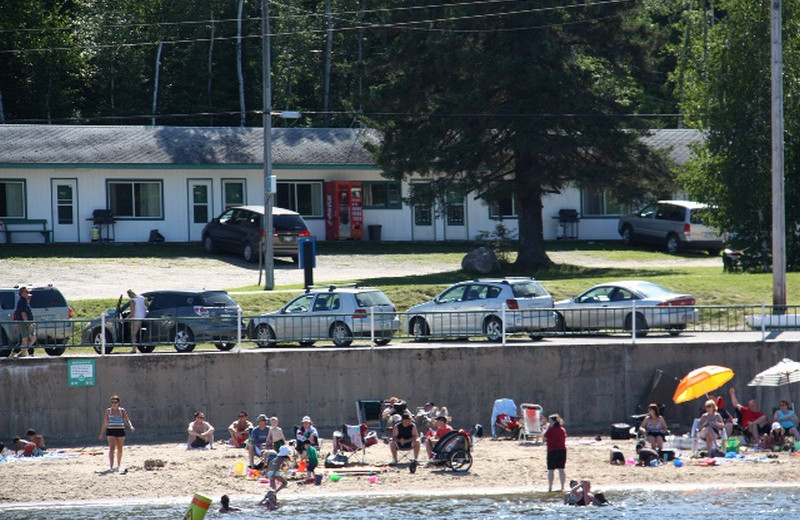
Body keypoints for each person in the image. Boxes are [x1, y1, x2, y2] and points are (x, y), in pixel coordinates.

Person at [98, 394, 135, 471]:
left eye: (115, 402)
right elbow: (105, 422)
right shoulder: (108, 411)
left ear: (118, 403)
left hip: (120, 430)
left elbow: (126, 419)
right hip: (111, 430)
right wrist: (101, 433)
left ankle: (118, 465)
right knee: (111, 448)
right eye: (112, 402)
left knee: (120, 448)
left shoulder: (122, 410)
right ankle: (111, 466)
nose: (114, 404)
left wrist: (130, 426)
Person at [543, 413, 567, 493]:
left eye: (550, 421)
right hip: (562, 450)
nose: (549, 422)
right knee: (561, 469)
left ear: (553, 422)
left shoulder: (550, 429)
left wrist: (546, 429)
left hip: (552, 451)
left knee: (551, 470)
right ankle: (562, 487)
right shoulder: (562, 429)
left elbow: (544, 439)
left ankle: (550, 487)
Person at [13, 287, 36, 357]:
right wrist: (28, 323)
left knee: (33, 338)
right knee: (24, 339)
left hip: (28, 323)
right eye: (26, 292)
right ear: (22, 293)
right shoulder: (22, 301)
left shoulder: (25, 301)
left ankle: (23, 351)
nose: (27, 294)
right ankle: (22, 353)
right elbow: (23, 314)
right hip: (24, 323)